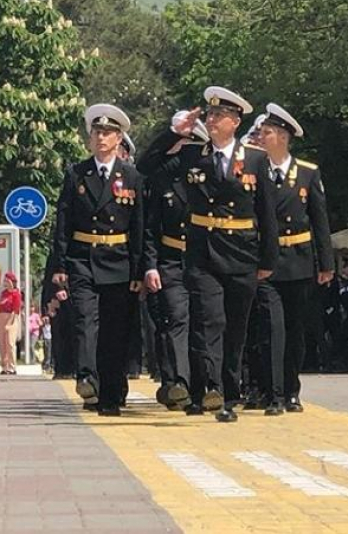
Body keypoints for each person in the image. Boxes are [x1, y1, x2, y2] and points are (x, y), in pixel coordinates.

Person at [137, 87, 278, 422]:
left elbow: (267, 214)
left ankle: (229, 391)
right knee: (208, 321)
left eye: (220, 116)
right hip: (203, 254)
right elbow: (145, 165)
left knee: (235, 329)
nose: (212, 121)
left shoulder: (256, 159)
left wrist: (268, 261)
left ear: (235, 121)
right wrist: (174, 133)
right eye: (210, 115)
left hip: (242, 253)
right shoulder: (192, 156)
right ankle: (213, 389)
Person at [49, 103, 144, 416]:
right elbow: (63, 222)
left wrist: (139, 268)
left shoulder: (131, 176)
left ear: (119, 139)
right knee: (86, 321)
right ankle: (87, 376)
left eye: (108, 133)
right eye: (96, 132)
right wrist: (60, 265)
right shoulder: (77, 173)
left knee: (115, 330)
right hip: (83, 259)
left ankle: (112, 393)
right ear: (89, 138)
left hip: (118, 260)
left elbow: (140, 226)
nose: (101, 138)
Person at [257, 103, 334, 413]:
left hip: (300, 260)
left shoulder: (307, 172)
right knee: (273, 328)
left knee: (295, 329)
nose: (261, 137)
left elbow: (320, 220)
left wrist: (326, 263)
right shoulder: (255, 171)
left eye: (267, 133)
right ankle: (274, 394)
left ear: (283, 137)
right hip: (267, 263)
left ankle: (291, 390)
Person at [142, 119, 209, 410]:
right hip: (171, 259)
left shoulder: (210, 177)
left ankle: (205, 385)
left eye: (190, 144)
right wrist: (151, 264)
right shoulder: (162, 179)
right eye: (179, 144)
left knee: (205, 322)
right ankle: (178, 381)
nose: (183, 151)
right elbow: (150, 227)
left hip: (205, 260)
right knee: (177, 318)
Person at [0, 272, 22, 375]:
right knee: (2, 343)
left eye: (7, 281)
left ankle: (12, 367)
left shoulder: (16, 294)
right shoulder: (4, 293)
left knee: (10, 343)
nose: (5, 283)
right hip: (1, 316)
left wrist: (9, 323)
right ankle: (4, 366)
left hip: (12, 317)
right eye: (4, 281)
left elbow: (15, 310)